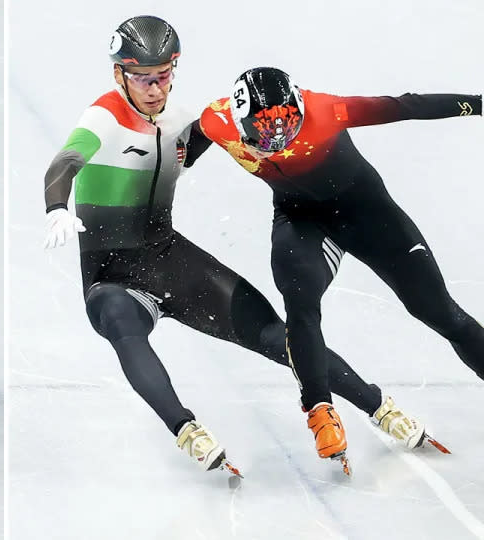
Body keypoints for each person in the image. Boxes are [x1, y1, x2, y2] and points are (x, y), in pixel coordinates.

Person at [44, 16, 434, 477]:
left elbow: (244, 131)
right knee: (119, 322)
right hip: (111, 275)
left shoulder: (185, 122)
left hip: (169, 258)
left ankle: (378, 406)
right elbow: (65, 161)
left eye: (163, 76)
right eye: (141, 78)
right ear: (118, 75)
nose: (153, 88)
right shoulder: (103, 116)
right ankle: (186, 429)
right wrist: (55, 205)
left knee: (276, 334)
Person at [197, 66, 479, 465]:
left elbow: (404, 106)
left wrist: (479, 105)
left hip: (368, 216)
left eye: (286, 128)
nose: (276, 141)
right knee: (299, 302)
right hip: (302, 221)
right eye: (263, 134)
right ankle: (319, 409)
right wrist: (180, 158)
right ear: (239, 122)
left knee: (439, 313)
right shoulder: (216, 120)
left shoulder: (325, 110)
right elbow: (194, 132)